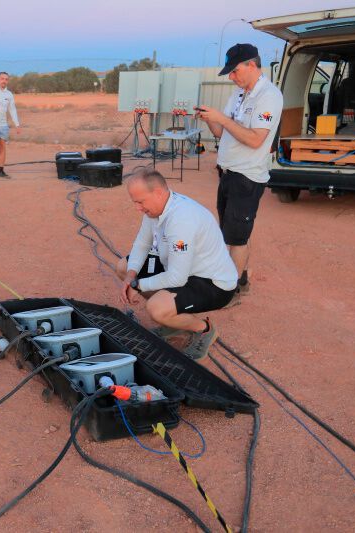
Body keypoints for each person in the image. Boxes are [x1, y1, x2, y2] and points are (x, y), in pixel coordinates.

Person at [117, 169, 238, 361]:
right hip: (180, 266)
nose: (137, 208)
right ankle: (173, 319)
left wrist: (137, 285)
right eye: (135, 202)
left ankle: (204, 330)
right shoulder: (155, 209)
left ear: (157, 193)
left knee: (156, 309)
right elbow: (142, 243)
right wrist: (131, 276)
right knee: (124, 267)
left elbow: (177, 278)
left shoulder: (182, 220)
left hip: (212, 282)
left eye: (140, 202)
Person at [195, 43, 283, 301]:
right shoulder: (239, 94)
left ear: (252, 65)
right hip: (229, 173)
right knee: (232, 233)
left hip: (247, 177)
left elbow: (256, 140)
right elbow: (221, 133)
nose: (232, 77)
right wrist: (211, 118)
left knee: (237, 238)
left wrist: (222, 118)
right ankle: (240, 280)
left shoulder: (269, 96)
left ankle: (228, 292)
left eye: (234, 71)